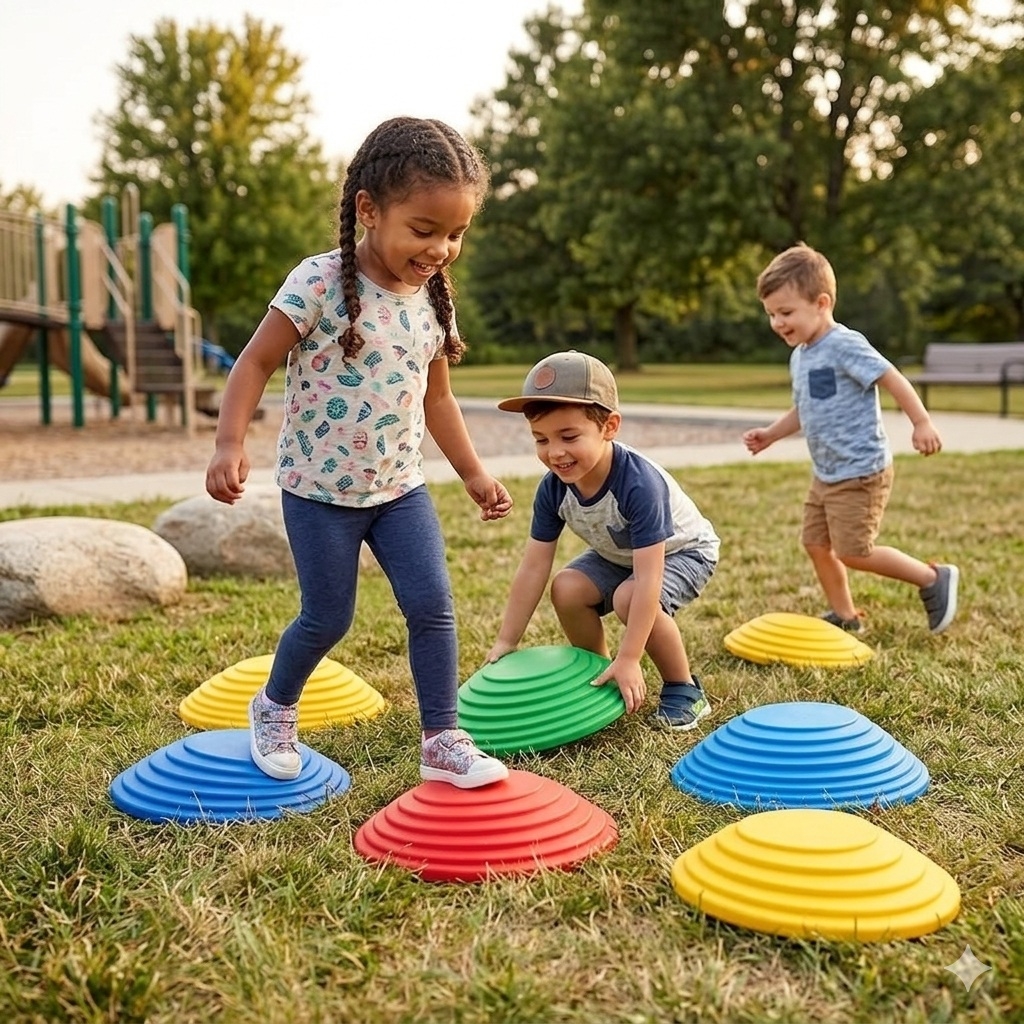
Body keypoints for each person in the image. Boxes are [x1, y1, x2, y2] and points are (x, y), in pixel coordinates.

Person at [206, 116, 512, 789]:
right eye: (425, 230)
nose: (441, 249)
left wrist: (473, 473)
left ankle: (442, 738)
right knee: (327, 616)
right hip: (318, 491)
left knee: (433, 605)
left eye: (455, 234)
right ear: (369, 211)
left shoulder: (432, 301)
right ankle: (274, 707)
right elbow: (253, 363)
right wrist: (230, 443)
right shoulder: (318, 284)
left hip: (399, 489)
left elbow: (438, 401)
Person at [486, 350, 720, 731]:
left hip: (684, 552)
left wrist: (632, 656)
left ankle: (684, 689)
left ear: (609, 426)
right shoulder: (553, 490)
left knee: (631, 597)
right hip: (619, 555)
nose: (554, 452)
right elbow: (534, 567)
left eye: (569, 436)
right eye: (541, 439)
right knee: (567, 587)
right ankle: (598, 671)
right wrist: (506, 640)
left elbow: (647, 579)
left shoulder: (639, 484)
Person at [742, 242, 959, 634]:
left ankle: (933, 578)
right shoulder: (801, 355)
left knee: (855, 552)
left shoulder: (843, 344)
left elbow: (891, 376)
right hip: (826, 473)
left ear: (822, 303)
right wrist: (772, 435)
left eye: (786, 312)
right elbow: (804, 409)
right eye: (771, 314)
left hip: (860, 470)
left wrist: (921, 421)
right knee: (814, 543)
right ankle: (845, 615)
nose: (777, 323)